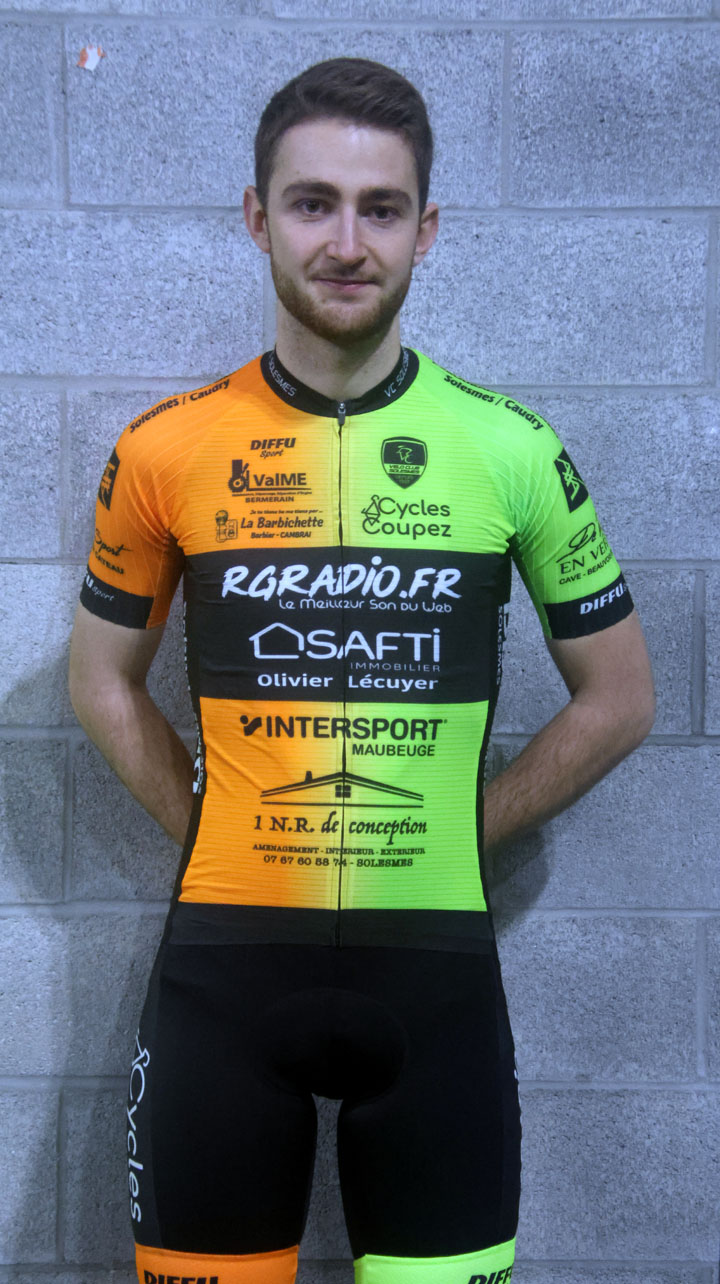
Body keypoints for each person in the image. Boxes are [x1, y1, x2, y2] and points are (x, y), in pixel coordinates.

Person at [68, 57, 655, 1284]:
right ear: (257, 217)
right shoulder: (166, 449)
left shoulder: (511, 449)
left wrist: (464, 826)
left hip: (434, 992)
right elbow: (100, 679)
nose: (346, 242)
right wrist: (207, 822)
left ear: (426, 229)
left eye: (380, 208)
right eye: (312, 203)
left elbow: (622, 699)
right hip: (224, 985)